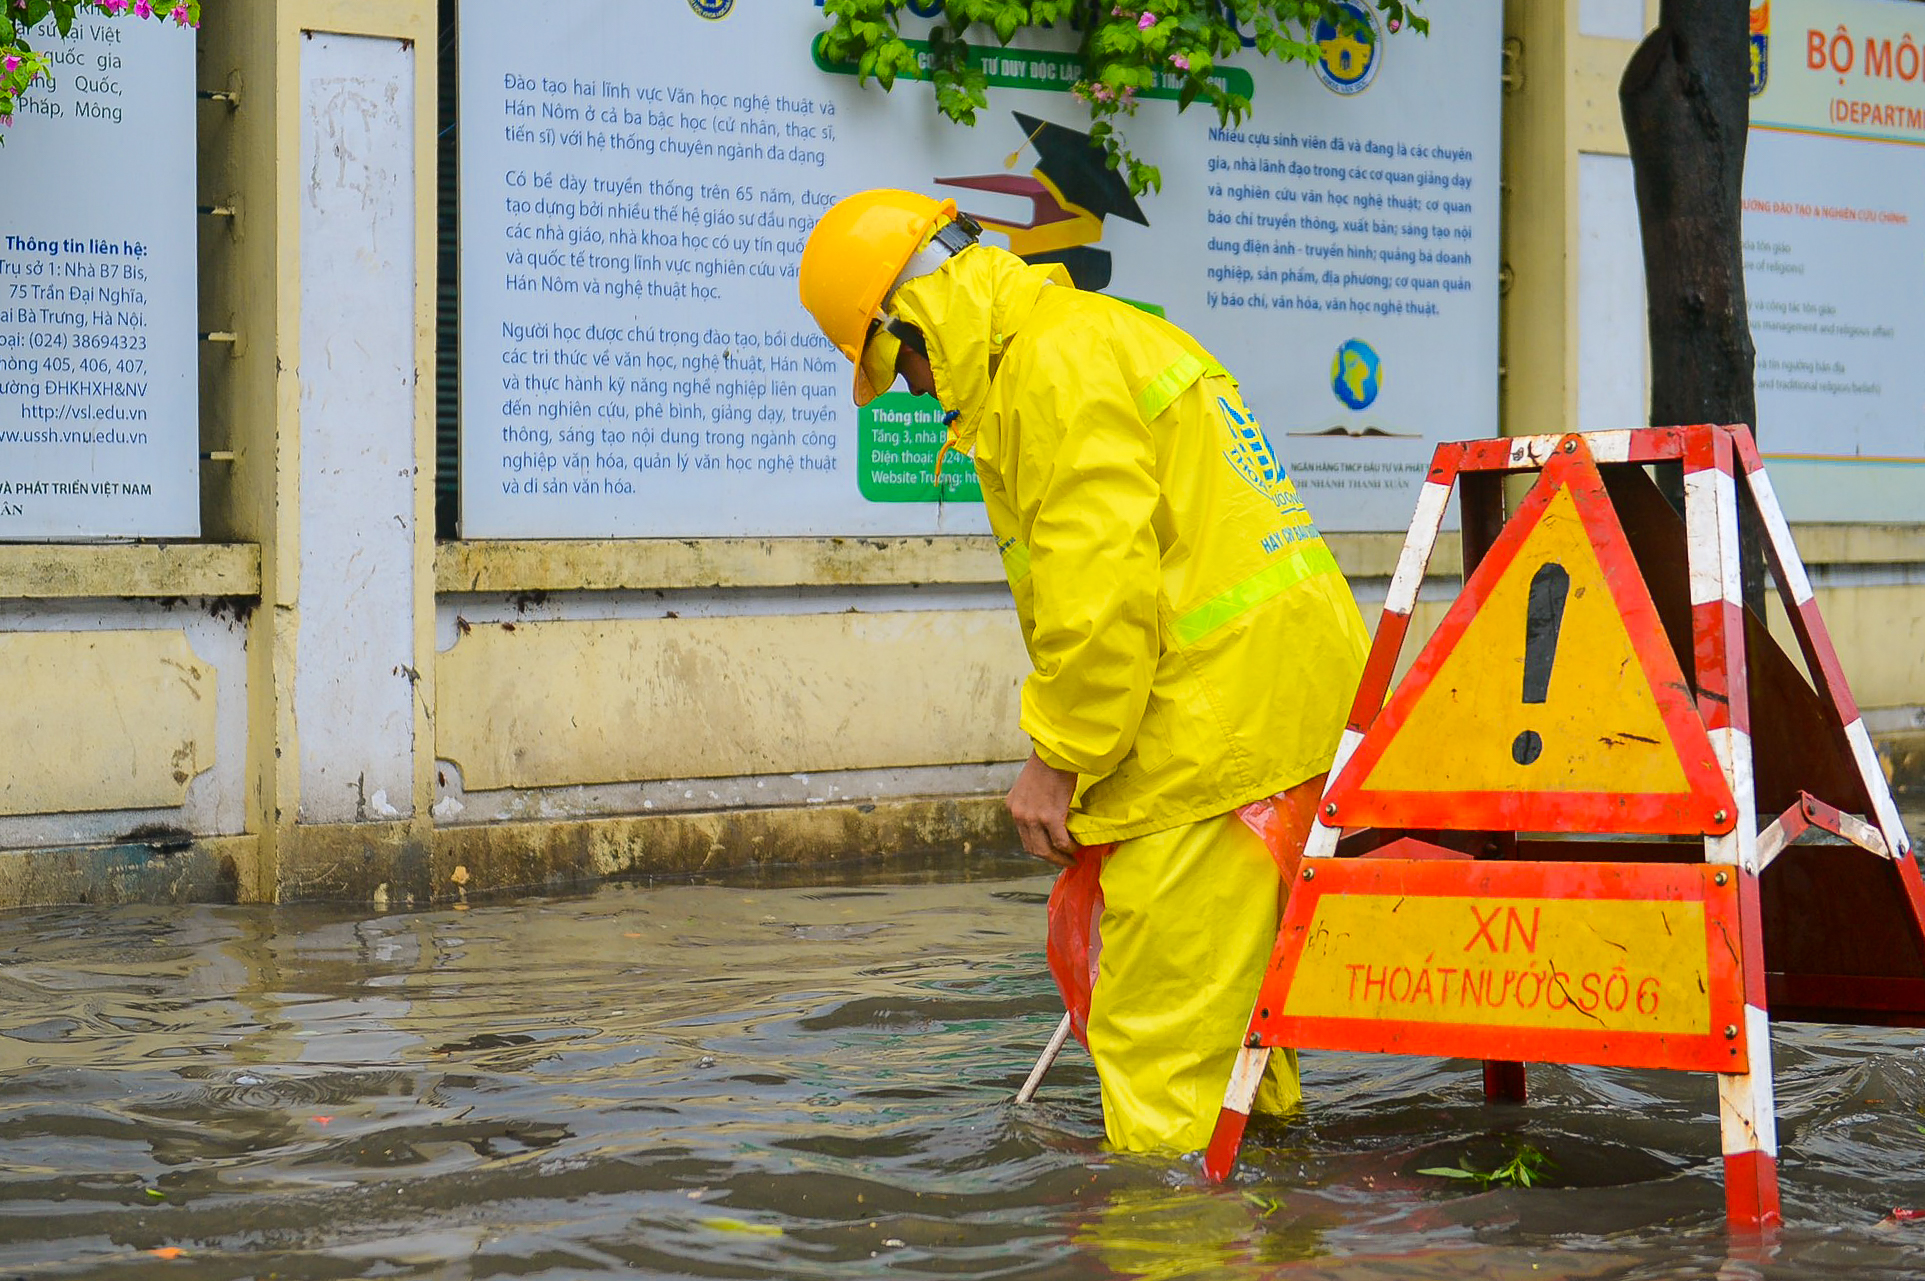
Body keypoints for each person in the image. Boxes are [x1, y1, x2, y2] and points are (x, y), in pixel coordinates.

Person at [797, 189, 1369, 1155]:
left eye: (896, 367)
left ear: (914, 317)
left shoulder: (1047, 372)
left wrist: (1057, 757)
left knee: (1160, 1065)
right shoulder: (1099, 334)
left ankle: (1169, 1249)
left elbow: (1102, 590)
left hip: (1209, 734)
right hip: (1284, 715)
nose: (913, 393)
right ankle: (1276, 1226)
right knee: (1241, 1041)